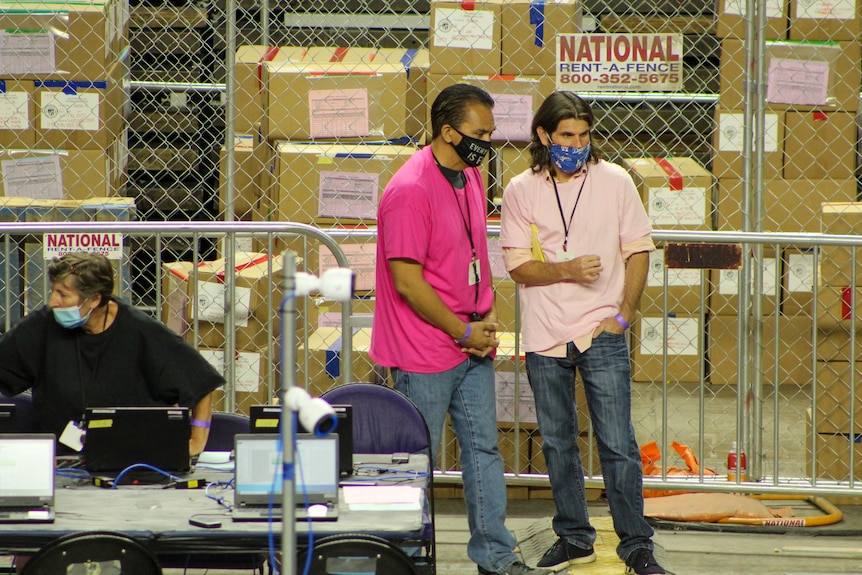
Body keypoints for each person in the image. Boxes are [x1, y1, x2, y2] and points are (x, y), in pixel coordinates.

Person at [371, 84, 546, 575]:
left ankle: (496, 556)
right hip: (423, 348)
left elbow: (470, 253)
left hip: (470, 343)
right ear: (448, 132)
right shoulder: (409, 190)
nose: (487, 144)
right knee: (413, 463)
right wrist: (461, 329)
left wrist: (483, 313)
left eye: (490, 133)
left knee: (483, 450)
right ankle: (406, 559)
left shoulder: (469, 177)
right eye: (479, 134)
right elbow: (408, 281)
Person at [499, 91, 666, 575]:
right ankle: (574, 538)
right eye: (566, 135)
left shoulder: (615, 181)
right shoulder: (520, 189)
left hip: (602, 331)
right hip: (545, 334)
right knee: (557, 441)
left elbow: (638, 249)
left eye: (584, 134)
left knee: (617, 442)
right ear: (544, 136)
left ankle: (636, 544)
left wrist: (624, 314)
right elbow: (518, 268)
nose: (576, 143)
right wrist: (568, 269)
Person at [0, 252, 224, 456]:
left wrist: (196, 440)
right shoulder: (42, 325)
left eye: (63, 294)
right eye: (53, 292)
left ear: (95, 299)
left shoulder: (141, 331)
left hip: (132, 459)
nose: (52, 302)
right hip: (63, 462)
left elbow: (201, 383)